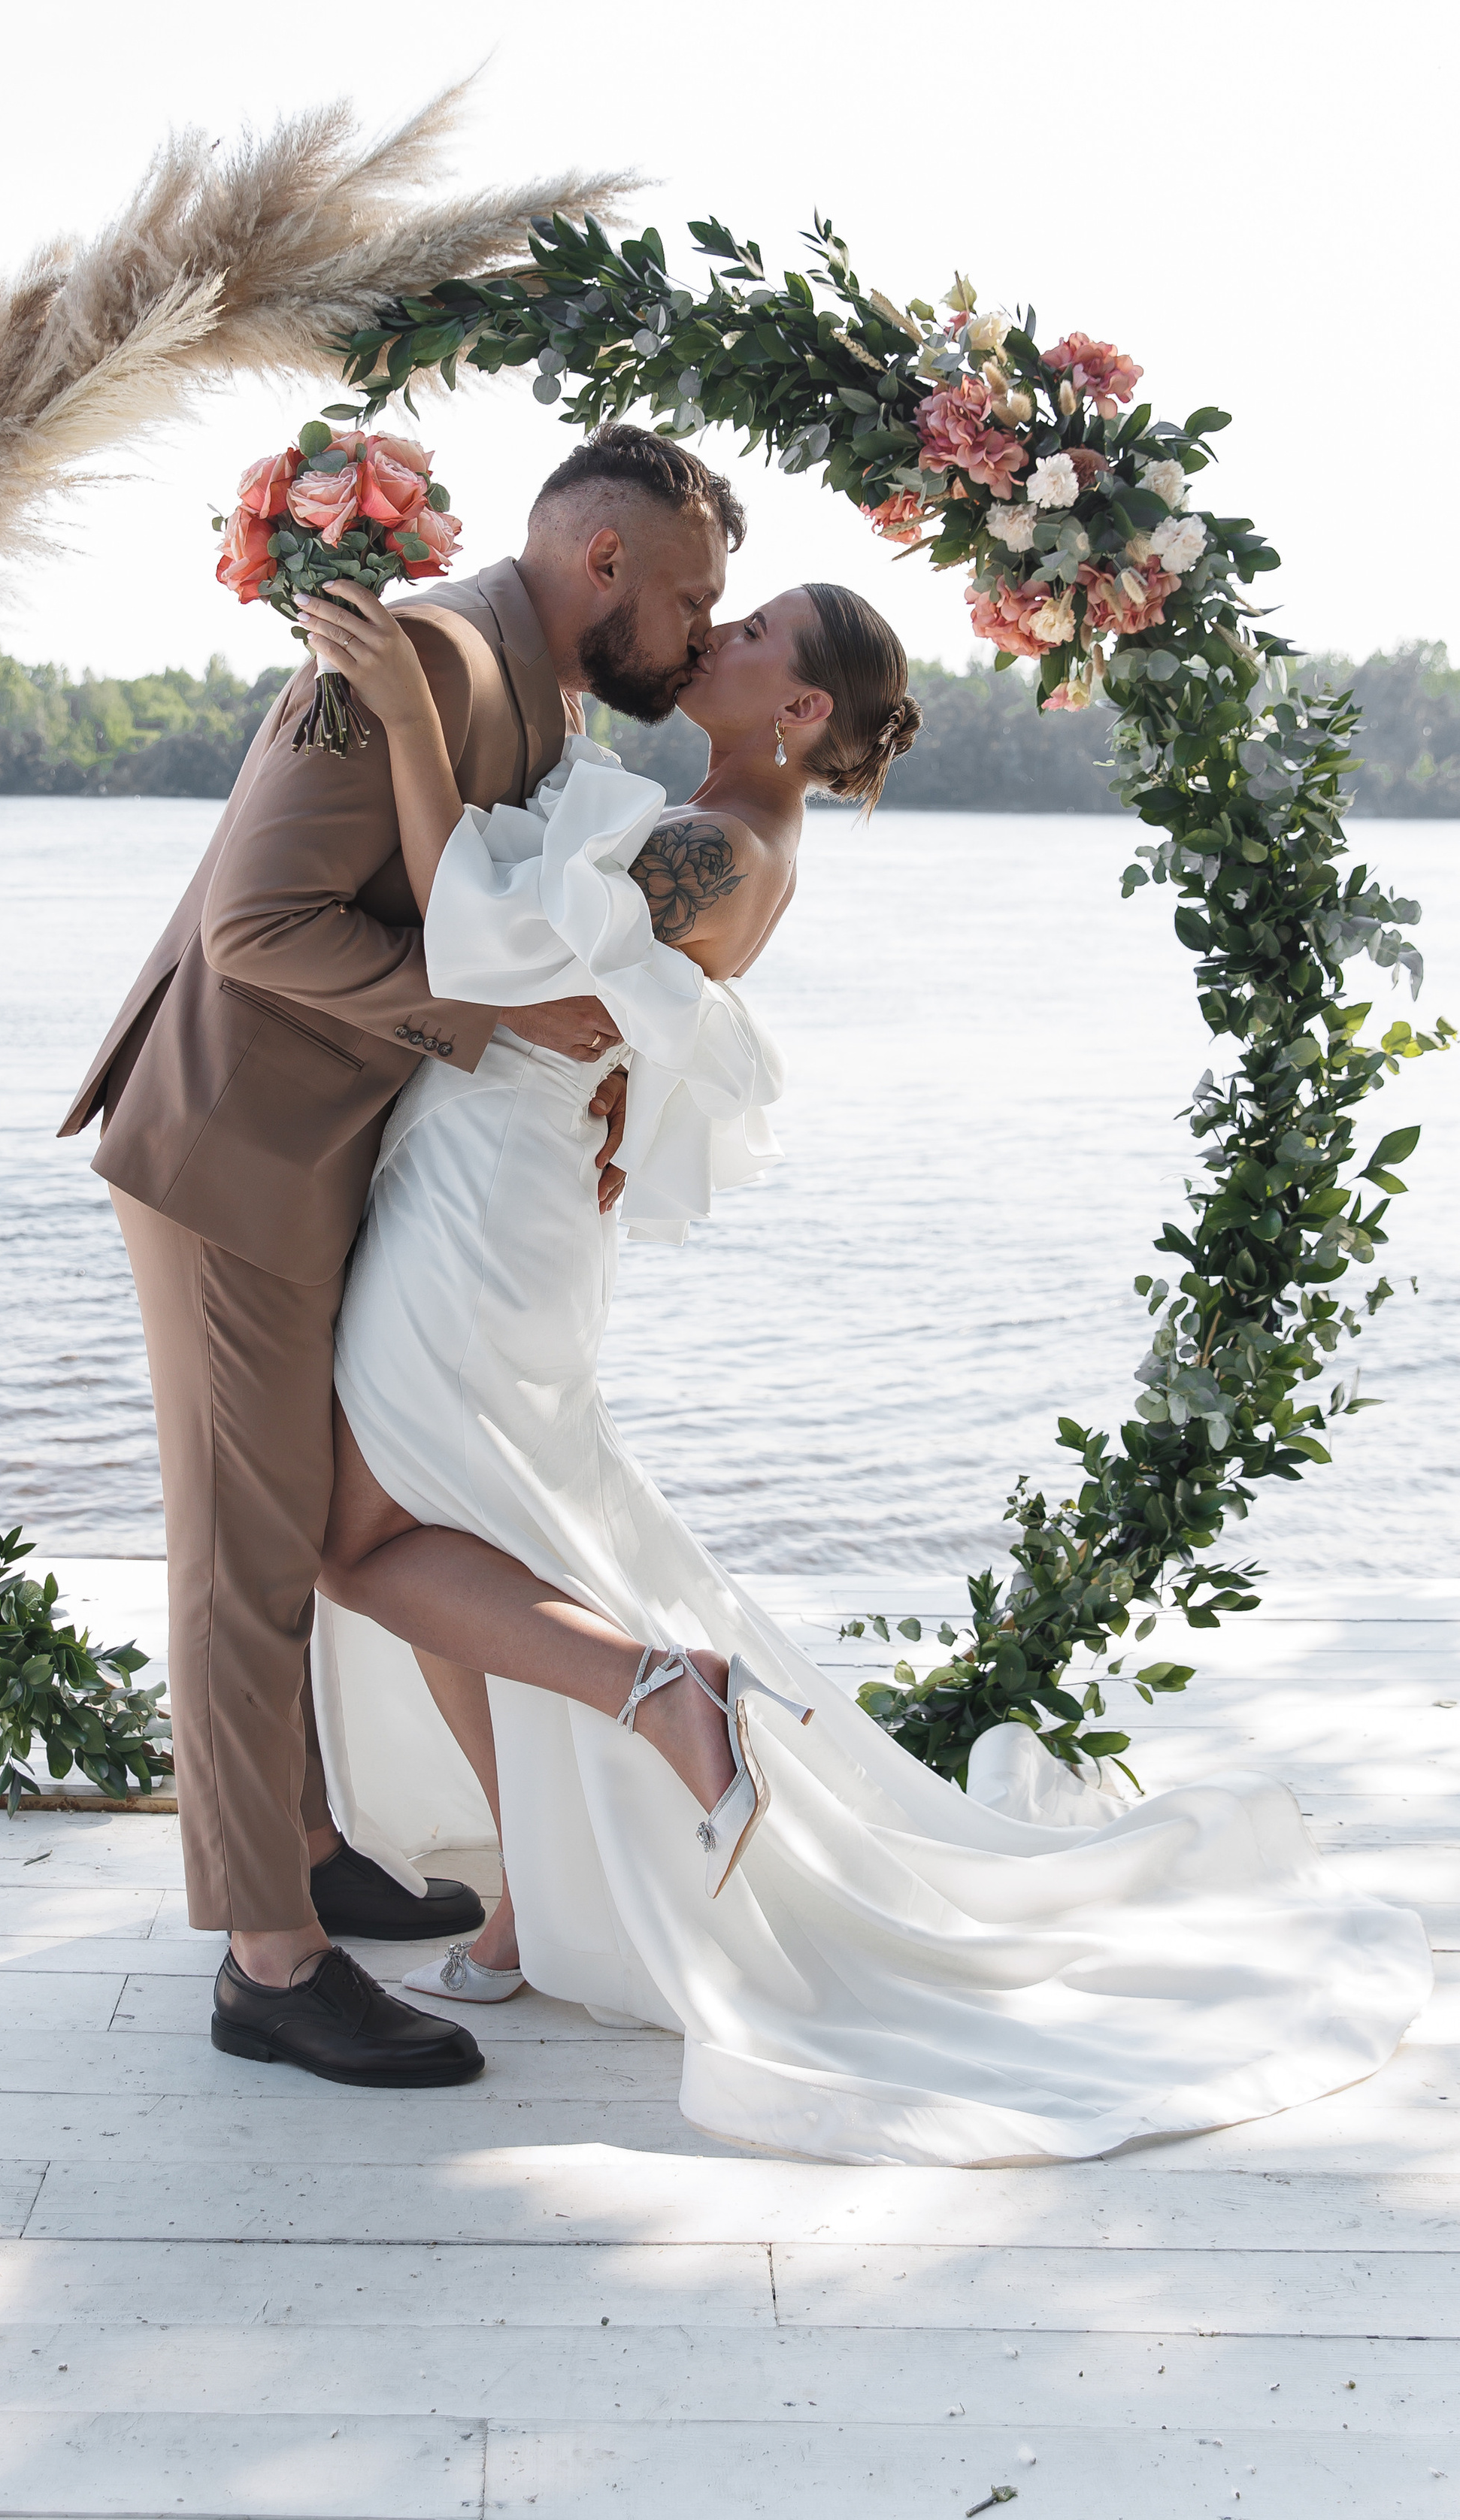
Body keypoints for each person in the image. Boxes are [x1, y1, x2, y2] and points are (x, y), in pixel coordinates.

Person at [301, 568, 1434, 2165]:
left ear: (802, 707)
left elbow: (470, 945)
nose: (718, 638)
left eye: (749, 632)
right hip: (487, 1194)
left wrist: (410, 719)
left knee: (361, 1547)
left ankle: (661, 1690)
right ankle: (519, 1904)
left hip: (485, 1217)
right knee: (481, 1542)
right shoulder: (703, 815)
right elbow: (585, 990)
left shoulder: (726, 848)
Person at [59, 423, 743, 2088]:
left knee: (304, 1519)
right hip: (231, 1146)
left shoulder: (528, 685)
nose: (698, 635)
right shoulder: (409, 658)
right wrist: (490, 1025)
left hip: (333, 1155)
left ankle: (299, 1843)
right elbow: (256, 925)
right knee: (243, 1547)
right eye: (689, 596)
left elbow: (492, 900)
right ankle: (268, 1961)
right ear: (605, 564)